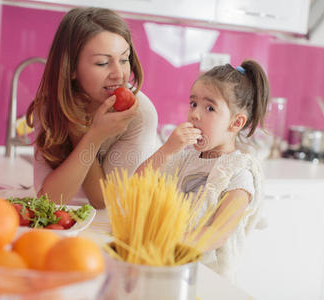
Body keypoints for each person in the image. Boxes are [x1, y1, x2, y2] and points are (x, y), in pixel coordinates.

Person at [136, 60, 269, 285]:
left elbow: (217, 233)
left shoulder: (239, 173)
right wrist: (167, 150)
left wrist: (165, 243)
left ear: (236, 122)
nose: (195, 114)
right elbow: (135, 184)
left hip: (209, 279)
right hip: (172, 269)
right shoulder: (183, 158)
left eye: (209, 108)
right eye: (193, 103)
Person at [26, 7, 158, 208]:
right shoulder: (49, 108)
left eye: (124, 59)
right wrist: (82, 129)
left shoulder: (140, 114)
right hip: (70, 225)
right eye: (103, 63)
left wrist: (89, 135)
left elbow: (103, 200)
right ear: (71, 68)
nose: (119, 74)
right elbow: (49, 200)